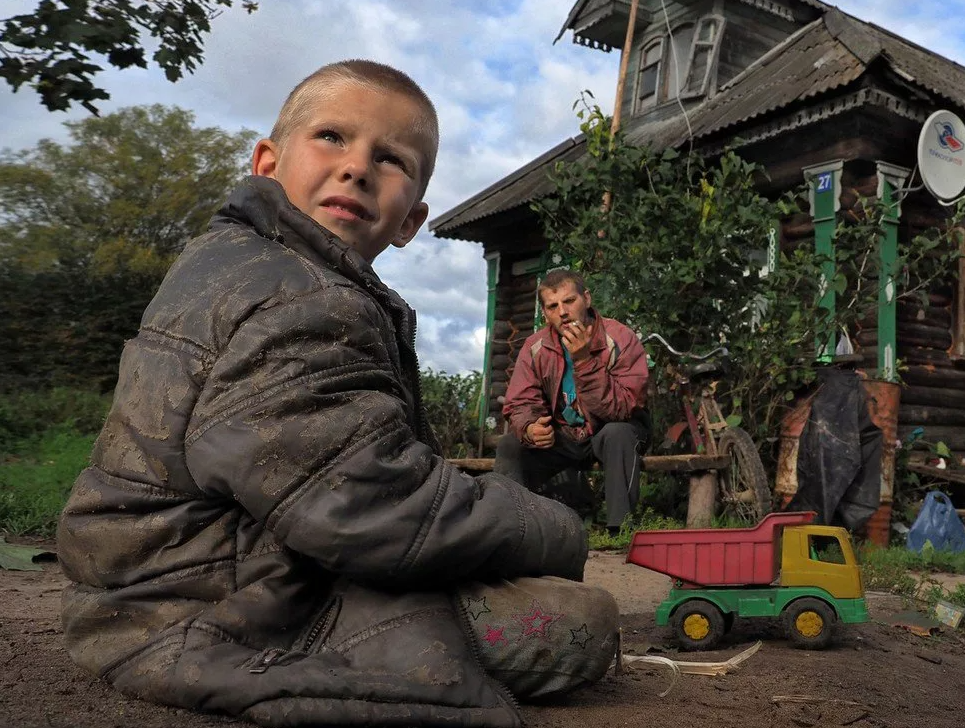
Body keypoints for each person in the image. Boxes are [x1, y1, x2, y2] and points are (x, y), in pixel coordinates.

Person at [56, 60, 618, 728]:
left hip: (169, 574)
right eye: (331, 137)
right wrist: (552, 530)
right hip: (195, 602)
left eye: (388, 158)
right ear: (266, 162)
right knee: (577, 623)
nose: (355, 167)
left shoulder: (241, 264)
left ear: (410, 218)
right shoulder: (302, 296)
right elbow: (360, 504)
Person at [495, 270, 650, 534]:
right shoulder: (536, 346)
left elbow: (624, 408)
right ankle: (514, 530)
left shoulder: (620, 339)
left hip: (608, 430)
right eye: (553, 306)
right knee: (511, 444)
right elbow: (520, 401)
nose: (563, 312)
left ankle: (619, 531)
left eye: (569, 301)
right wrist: (531, 428)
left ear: (586, 299)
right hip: (565, 435)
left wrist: (584, 361)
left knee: (618, 433)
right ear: (545, 313)